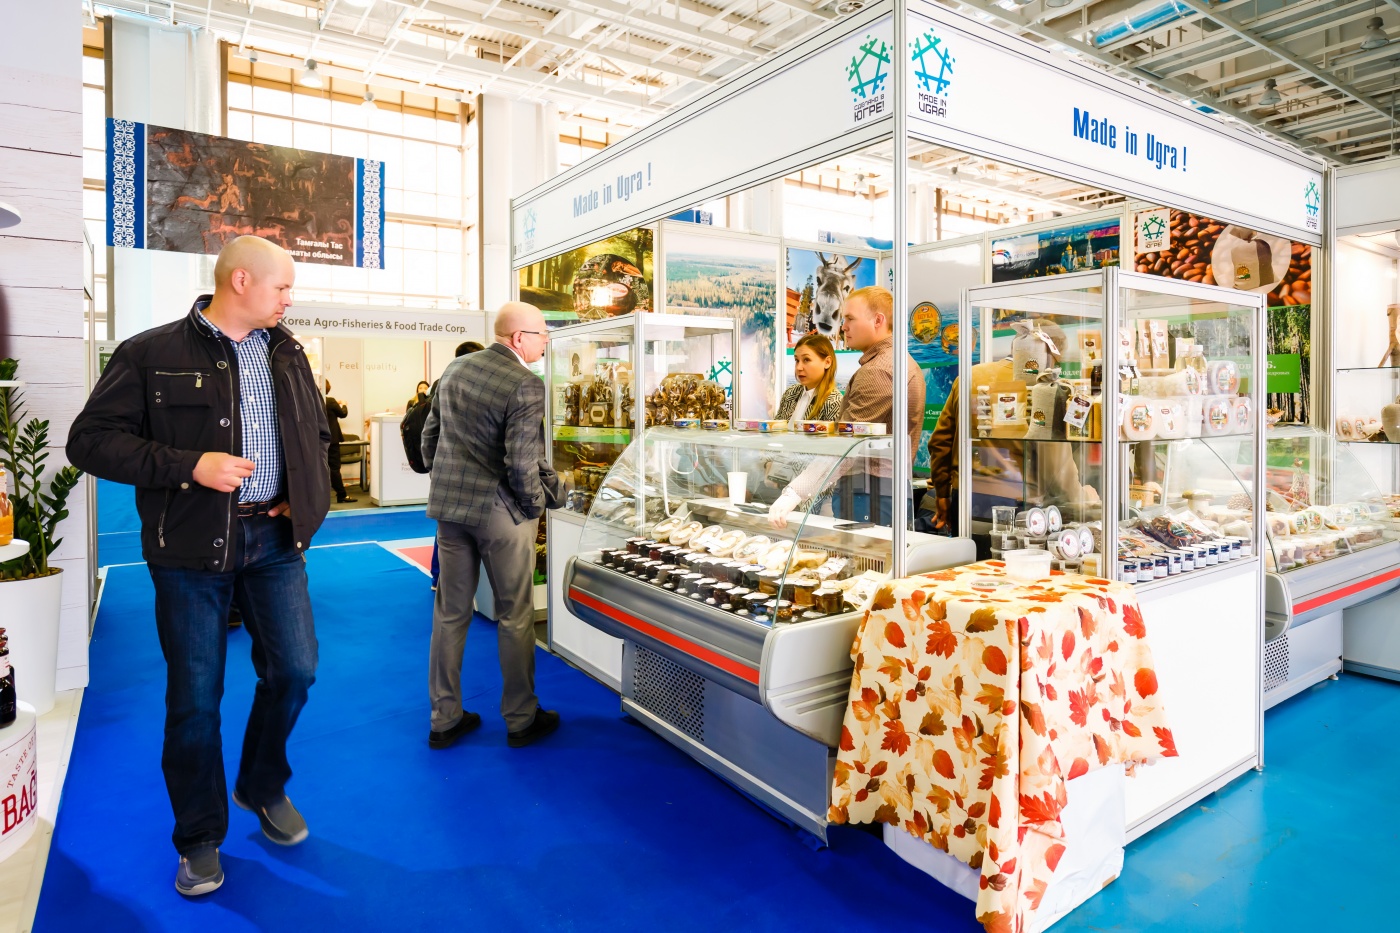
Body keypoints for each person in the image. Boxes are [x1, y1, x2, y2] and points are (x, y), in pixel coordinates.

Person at [67, 235, 330, 896]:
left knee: (295, 669)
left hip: (274, 541)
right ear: (241, 280)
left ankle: (261, 783)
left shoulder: (288, 353)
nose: (289, 299)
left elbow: (315, 432)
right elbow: (89, 441)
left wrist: (304, 493)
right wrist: (191, 467)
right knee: (194, 700)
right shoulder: (150, 353)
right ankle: (199, 835)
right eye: (282, 287)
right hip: (189, 550)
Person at [422, 301, 564, 750]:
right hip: (501, 513)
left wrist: (445, 479)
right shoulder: (525, 383)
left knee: (450, 613)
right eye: (542, 333)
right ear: (518, 338)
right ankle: (521, 718)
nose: (546, 340)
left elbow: (429, 437)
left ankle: (444, 717)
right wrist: (534, 507)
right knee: (515, 616)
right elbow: (521, 463)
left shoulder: (456, 369)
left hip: (450, 510)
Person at [769, 286, 924, 527]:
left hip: (870, 491)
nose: (843, 327)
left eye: (850, 319)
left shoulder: (879, 370)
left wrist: (795, 493)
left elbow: (846, 444)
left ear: (878, 321)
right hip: (880, 490)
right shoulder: (898, 361)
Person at [429, 339, 486, 592]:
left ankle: (439, 577)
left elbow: (430, 432)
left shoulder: (443, 382)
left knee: (448, 527)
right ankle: (441, 577)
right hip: (464, 471)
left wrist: (433, 466)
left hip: (447, 469)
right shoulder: (466, 385)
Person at [775, 332, 843, 421]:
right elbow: (776, 427)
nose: (799, 367)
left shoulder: (834, 402)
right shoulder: (790, 393)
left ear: (827, 362)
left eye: (806, 360)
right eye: (797, 360)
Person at [324, 379, 356, 504]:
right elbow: (343, 414)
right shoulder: (331, 401)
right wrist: (344, 404)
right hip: (332, 440)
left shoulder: (313, 401)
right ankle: (341, 495)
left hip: (318, 440)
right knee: (334, 468)